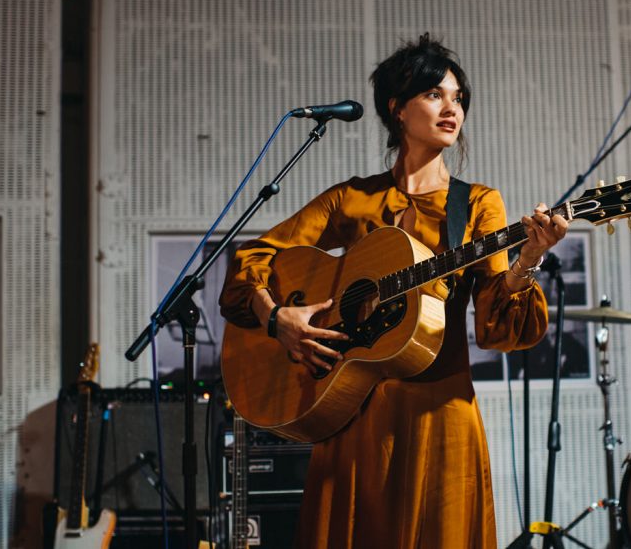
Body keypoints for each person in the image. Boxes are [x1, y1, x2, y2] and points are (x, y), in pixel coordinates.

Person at [220, 34, 569, 548]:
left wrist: (530, 260)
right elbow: (257, 255)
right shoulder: (353, 199)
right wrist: (277, 318)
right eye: (435, 95)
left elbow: (497, 326)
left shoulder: (476, 205)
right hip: (351, 406)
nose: (452, 108)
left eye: (459, 98)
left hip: (441, 412)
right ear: (397, 109)